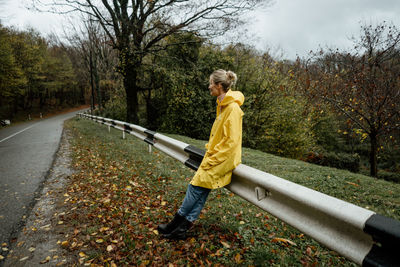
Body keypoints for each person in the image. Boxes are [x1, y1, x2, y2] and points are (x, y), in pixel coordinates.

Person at [158, 69, 244, 239]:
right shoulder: (223, 106)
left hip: (221, 159)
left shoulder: (232, 108)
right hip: (216, 157)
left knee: (194, 187)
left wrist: (213, 159)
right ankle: (182, 229)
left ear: (219, 86)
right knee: (202, 191)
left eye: (211, 83)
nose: (209, 86)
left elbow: (231, 142)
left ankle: (175, 223)